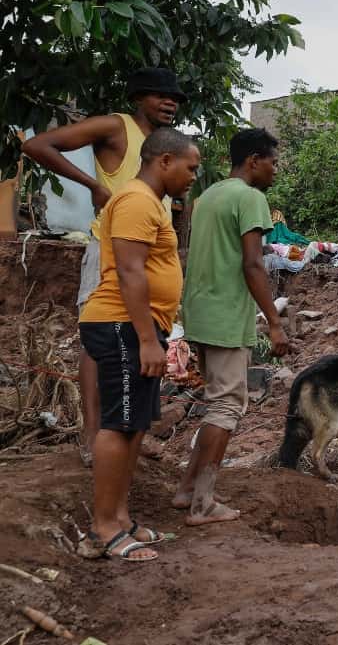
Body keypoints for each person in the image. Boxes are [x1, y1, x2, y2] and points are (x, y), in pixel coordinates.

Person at [21, 67, 186, 466]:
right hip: (113, 249)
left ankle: (130, 431)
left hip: (147, 251)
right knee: (101, 343)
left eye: (175, 99)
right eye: (159, 95)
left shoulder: (162, 145)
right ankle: (92, 436)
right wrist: (94, 186)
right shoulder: (116, 127)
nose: (169, 103)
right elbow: (40, 145)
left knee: (141, 341)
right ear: (137, 97)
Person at [76, 128, 199, 561]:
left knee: (133, 426)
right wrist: (148, 340)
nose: (193, 176)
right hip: (120, 325)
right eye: (191, 167)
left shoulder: (152, 203)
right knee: (119, 423)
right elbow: (130, 272)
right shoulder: (135, 201)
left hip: (139, 327)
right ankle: (103, 528)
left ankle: (120, 518)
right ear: (164, 160)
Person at [171, 128, 288, 526]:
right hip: (225, 316)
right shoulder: (251, 197)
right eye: (273, 162)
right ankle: (203, 503)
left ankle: (187, 488)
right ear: (254, 160)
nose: (276, 171)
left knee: (215, 402)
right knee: (227, 406)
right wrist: (274, 322)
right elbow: (253, 263)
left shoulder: (208, 196)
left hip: (199, 312)